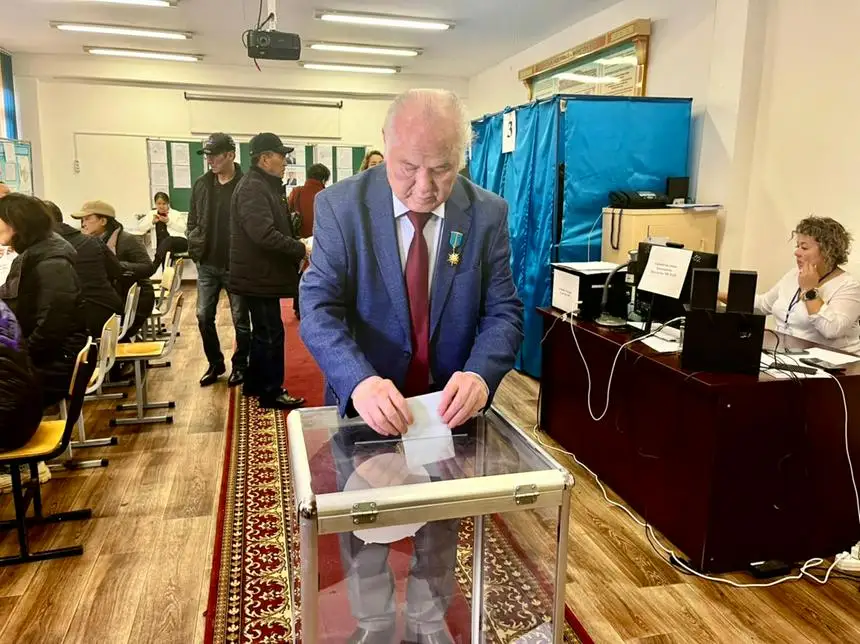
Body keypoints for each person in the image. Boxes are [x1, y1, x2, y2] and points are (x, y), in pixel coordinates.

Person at [299, 89, 523, 644]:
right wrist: (358, 379)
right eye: (408, 168)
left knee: (440, 518)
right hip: (366, 402)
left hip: (443, 409)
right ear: (385, 145)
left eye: (442, 169)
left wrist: (480, 373)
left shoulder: (487, 213)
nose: (424, 186)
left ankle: (426, 619)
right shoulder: (341, 207)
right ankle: (374, 621)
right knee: (363, 520)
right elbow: (318, 307)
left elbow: (503, 311)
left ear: (463, 157)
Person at [229, 132, 308, 410]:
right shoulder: (254, 188)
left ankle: (255, 382)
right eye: (281, 156)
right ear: (265, 159)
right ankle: (271, 391)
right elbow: (262, 234)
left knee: (264, 332)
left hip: (258, 274)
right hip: (258, 274)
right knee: (271, 334)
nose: (285, 162)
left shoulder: (262, 185)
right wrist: (299, 248)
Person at [0, 194, 88, 407]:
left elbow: (51, 329)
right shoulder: (40, 253)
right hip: (49, 358)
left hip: (54, 365)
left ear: (16, 223)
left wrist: (18, 359)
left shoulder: (51, 263)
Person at [725, 216, 860, 354]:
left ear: (828, 252)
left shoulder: (848, 286)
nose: (797, 253)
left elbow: (832, 330)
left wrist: (809, 290)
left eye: (804, 247)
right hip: (785, 355)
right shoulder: (793, 275)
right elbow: (763, 304)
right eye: (797, 246)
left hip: (832, 363)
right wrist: (716, 294)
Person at [186, 132, 251, 387]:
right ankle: (215, 363)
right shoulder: (202, 184)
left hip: (237, 265)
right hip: (207, 263)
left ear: (230, 155)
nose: (209, 160)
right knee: (203, 316)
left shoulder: (246, 184)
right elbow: (193, 219)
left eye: (214, 155)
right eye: (207, 155)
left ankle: (241, 365)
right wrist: (194, 241)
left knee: (241, 321)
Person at [71, 200, 155, 342]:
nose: (83, 224)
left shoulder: (127, 240)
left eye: (87, 219)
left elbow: (148, 267)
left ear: (103, 221)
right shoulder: (89, 243)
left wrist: (115, 265)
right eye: (82, 220)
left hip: (136, 302)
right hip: (116, 297)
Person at [44, 200, 124, 338]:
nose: (83, 224)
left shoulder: (42, 248)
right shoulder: (92, 241)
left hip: (85, 323)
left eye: (87, 219)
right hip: (106, 311)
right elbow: (117, 271)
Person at [287, 163, 330, 319]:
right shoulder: (326, 194)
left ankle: (298, 307)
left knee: (300, 275)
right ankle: (317, 308)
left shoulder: (296, 192)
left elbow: (289, 212)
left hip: (300, 241)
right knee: (319, 276)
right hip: (321, 241)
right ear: (324, 179)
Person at [137, 192, 189, 271]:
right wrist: (152, 222)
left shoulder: (176, 214)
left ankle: (154, 266)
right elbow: (141, 228)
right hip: (162, 247)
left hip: (180, 242)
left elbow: (183, 228)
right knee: (164, 253)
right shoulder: (152, 214)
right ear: (155, 204)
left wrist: (168, 221)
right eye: (159, 204)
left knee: (168, 240)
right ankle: (165, 276)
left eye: (164, 203)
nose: (161, 206)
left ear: (168, 203)